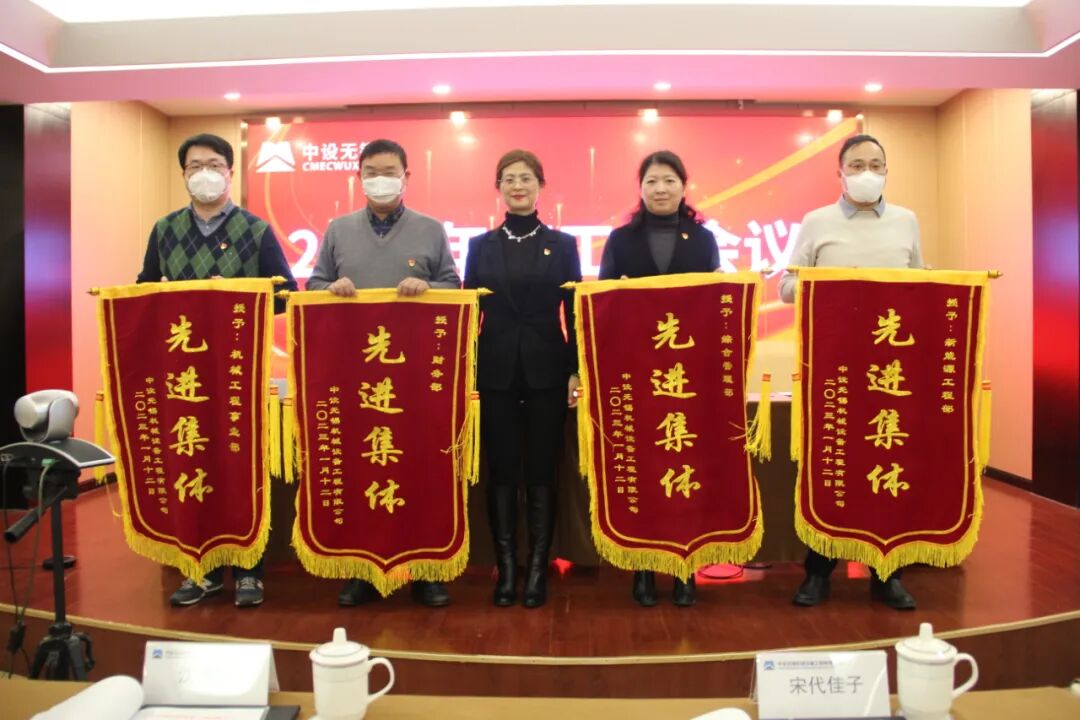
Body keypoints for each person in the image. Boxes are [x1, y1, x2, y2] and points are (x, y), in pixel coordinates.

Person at [137, 132, 299, 608]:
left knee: (242, 469)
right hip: (183, 374)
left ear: (230, 172)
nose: (203, 174)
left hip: (239, 372)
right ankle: (200, 570)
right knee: (192, 464)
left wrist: (235, 293)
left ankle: (250, 571)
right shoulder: (164, 230)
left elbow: (286, 294)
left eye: (213, 165)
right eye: (194, 167)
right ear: (183, 174)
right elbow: (144, 290)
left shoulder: (255, 229)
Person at [308, 138, 461, 608]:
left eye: (389, 171)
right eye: (371, 172)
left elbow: (454, 285)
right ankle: (362, 571)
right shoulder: (337, 230)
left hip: (414, 379)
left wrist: (427, 286)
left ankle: (425, 571)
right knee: (361, 467)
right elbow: (314, 284)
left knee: (418, 468)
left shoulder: (431, 230)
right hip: (354, 377)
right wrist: (331, 287)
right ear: (359, 177)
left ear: (406, 176)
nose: (380, 179)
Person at [779, 133, 923, 610]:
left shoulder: (906, 221)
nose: (867, 172)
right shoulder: (817, 221)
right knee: (831, 466)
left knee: (889, 463)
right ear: (839, 173)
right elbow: (786, 287)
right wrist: (836, 288)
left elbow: (922, 286)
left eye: (875, 164)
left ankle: (888, 573)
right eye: (857, 164)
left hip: (892, 371)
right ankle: (818, 571)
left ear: (887, 171)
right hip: (833, 368)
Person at [598, 149, 720, 607]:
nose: (661, 188)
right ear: (641, 188)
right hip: (637, 373)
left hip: (688, 377)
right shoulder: (621, 240)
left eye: (669, 180)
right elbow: (601, 304)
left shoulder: (703, 239)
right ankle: (644, 567)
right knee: (646, 468)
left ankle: (685, 568)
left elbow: (714, 306)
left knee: (687, 467)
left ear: (684, 186)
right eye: (652, 181)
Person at [463, 150, 582, 608]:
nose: (518, 185)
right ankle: (507, 568)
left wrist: (575, 368)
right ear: (499, 187)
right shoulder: (480, 246)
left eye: (526, 178)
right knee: (502, 470)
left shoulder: (563, 245)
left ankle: (537, 569)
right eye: (509, 178)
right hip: (494, 369)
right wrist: (466, 368)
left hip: (547, 369)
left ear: (540, 186)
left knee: (541, 471)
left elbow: (573, 312)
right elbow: (470, 312)